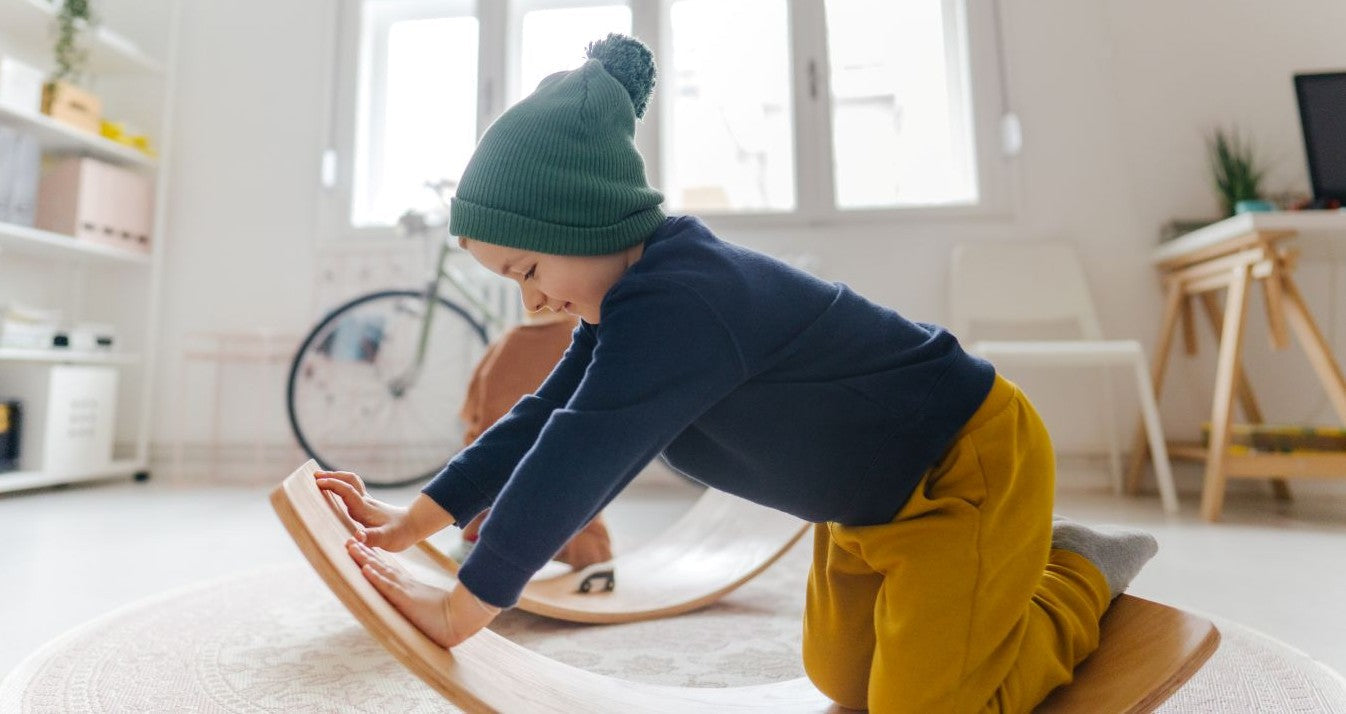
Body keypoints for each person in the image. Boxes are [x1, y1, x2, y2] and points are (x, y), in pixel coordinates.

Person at [316, 33, 1158, 712]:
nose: (533, 305)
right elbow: (544, 418)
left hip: (964, 467)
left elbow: (579, 455)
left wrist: (469, 606)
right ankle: (995, 583)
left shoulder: (683, 303)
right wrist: (414, 519)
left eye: (531, 270)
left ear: (585, 220)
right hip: (867, 504)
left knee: (927, 705)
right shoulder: (625, 303)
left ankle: (1072, 576)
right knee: (842, 681)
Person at [452, 308, 612, 570]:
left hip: (498, 497)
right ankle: (584, 548)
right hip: (571, 499)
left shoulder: (505, 347)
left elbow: (472, 419)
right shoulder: (595, 341)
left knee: (490, 460)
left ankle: (480, 537)